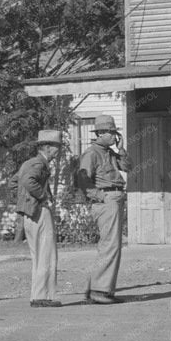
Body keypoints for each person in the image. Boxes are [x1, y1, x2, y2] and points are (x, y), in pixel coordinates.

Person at [75, 117, 131, 304]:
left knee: (111, 245)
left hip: (114, 198)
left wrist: (120, 149)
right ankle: (100, 291)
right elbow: (83, 179)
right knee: (110, 245)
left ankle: (100, 289)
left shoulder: (110, 153)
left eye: (115, 132)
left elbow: (128, 167)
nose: (115, 136)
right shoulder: (91, 154)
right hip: (106, 199)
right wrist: (100, 196)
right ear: (100, 134)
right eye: (111, 132)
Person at [15, 130, 63, 307]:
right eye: (57, 148)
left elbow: (16, 182)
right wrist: (42, 196)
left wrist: (24, 200)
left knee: (38, 255)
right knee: (47, 254)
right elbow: (28, 181)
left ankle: (37, 295)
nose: (59, 152)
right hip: (40, 212)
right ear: (49, 147)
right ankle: (42, 297)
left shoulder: (28, 163)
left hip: (30, 213)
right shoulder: (38, 163)